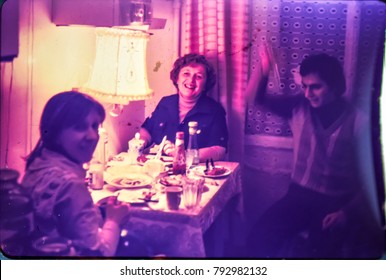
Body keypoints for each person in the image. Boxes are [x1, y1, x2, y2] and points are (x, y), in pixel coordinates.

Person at [246, 52, 384, 258]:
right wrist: (264, 69)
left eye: (316, 87)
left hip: (334, 203)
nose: (308, 93)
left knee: (317, 256)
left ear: (335, 87)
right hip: (298, 196)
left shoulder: (359, 123)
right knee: (258, 237)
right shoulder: (299, 106)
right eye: (305, 86)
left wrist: (346, 213)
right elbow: (252, 98)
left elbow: (374, 181)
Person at [21, 91, 130, 257]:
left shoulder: (39, 163)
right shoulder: (70, 183)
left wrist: (96, 211)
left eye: (95, 126)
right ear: (55, 133)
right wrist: (113, 220)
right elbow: (97, 255)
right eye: (79, 127)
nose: (93, 136)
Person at [139, 53, 228, 162]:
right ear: (177, 78)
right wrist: (141, 142)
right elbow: (147, 130)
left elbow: (219, 149)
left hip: (194, 172)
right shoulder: (165, 103)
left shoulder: (215, 110)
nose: (191, 80)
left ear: (205, 85)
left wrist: (183, 155)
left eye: (199, 76)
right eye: (186, 74)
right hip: (160, 168)